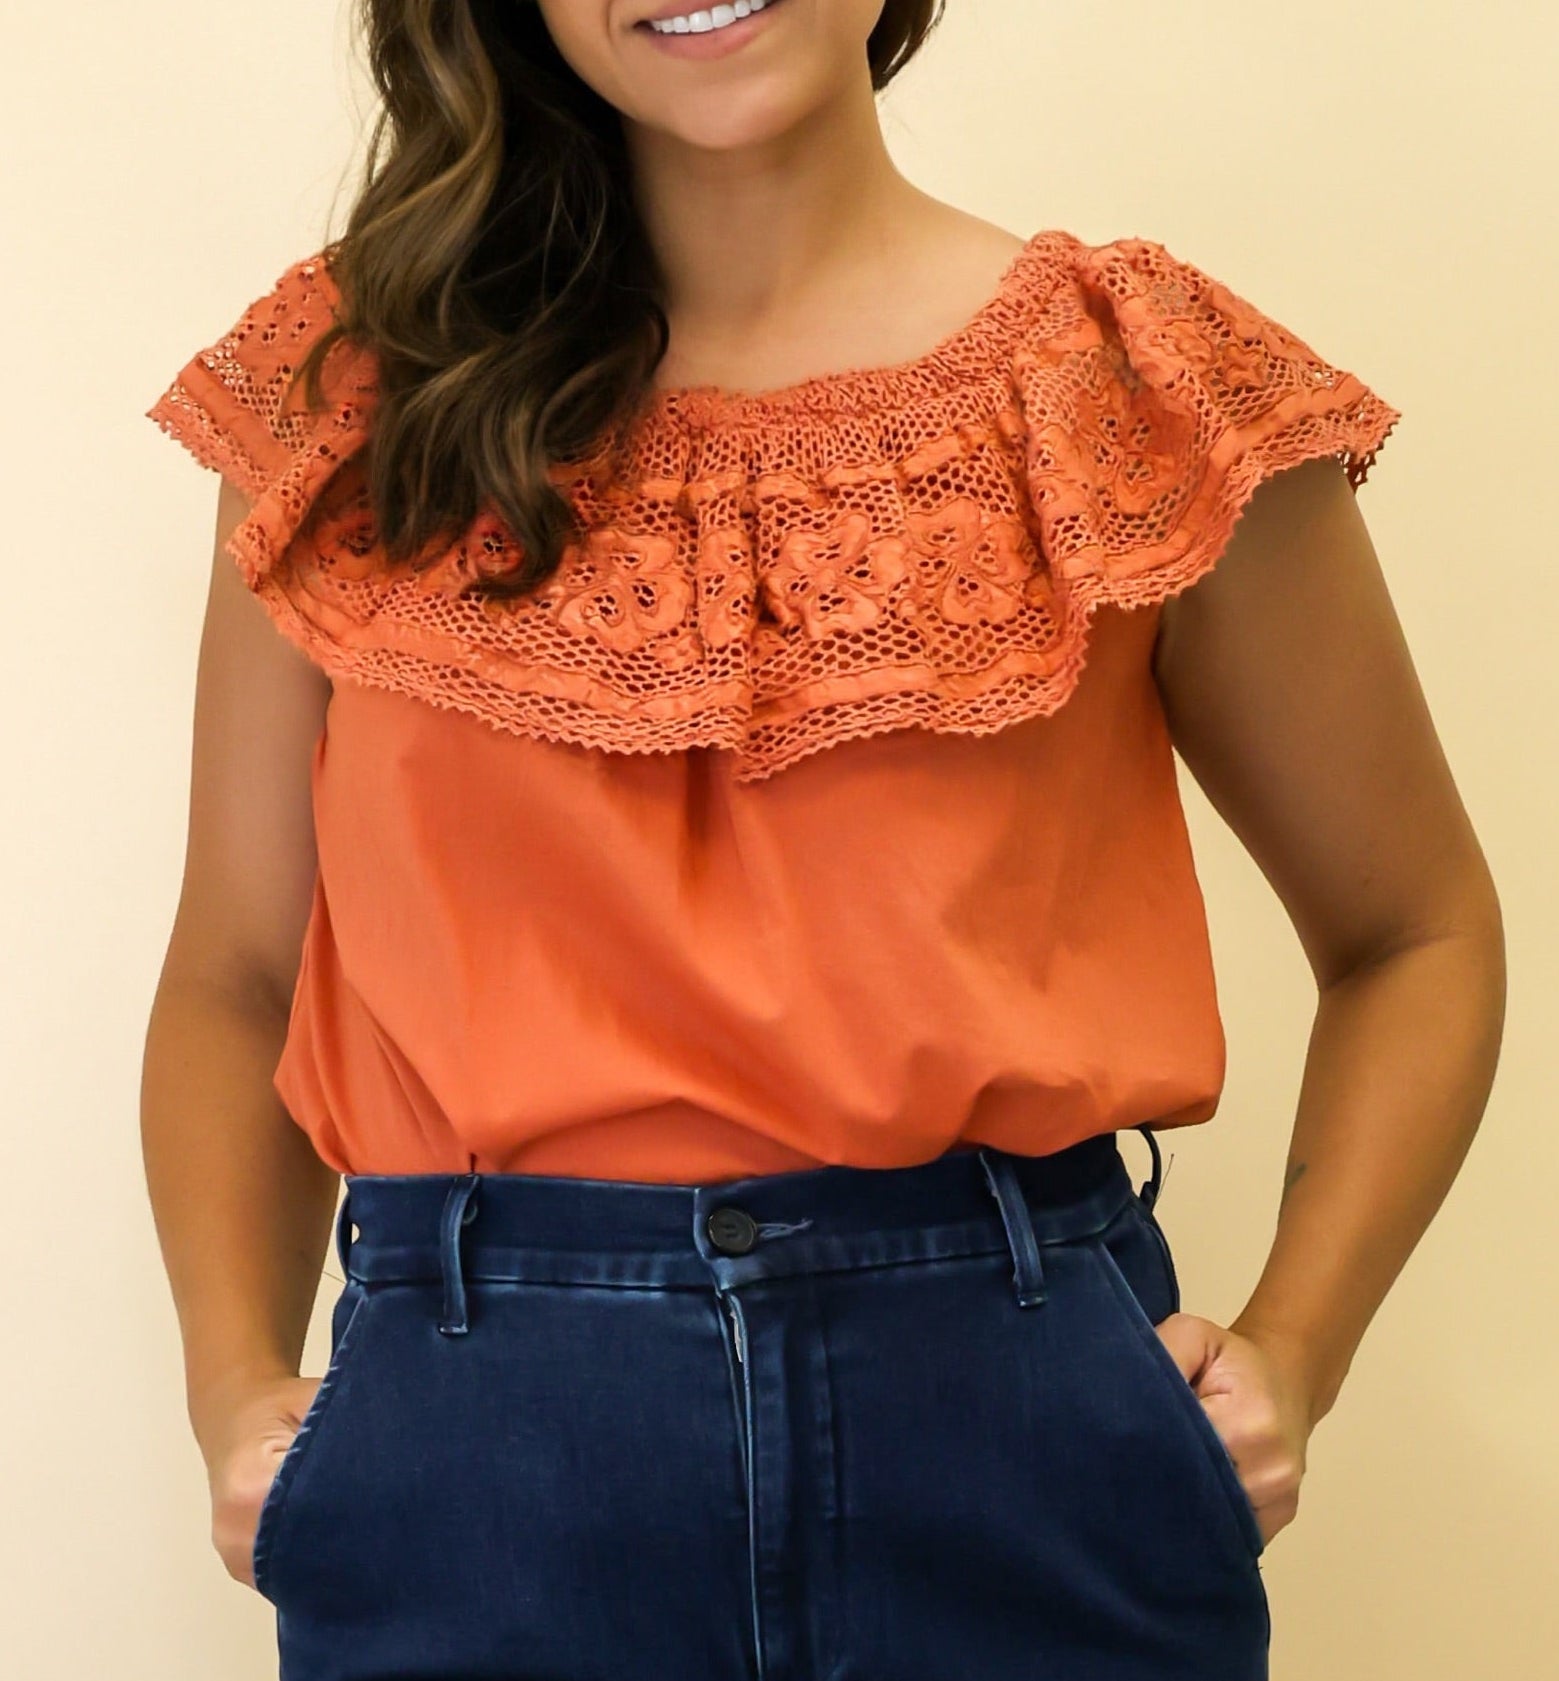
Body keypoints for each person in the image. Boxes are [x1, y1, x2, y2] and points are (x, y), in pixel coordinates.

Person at [139, 3, 1505, 1678]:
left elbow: (1416, 929)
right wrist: (230, 1394)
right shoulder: (355, 409)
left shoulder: (1126, 390)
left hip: (1023, 1450)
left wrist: (1299, 1345)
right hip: (478, 1455)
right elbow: (236, 971)